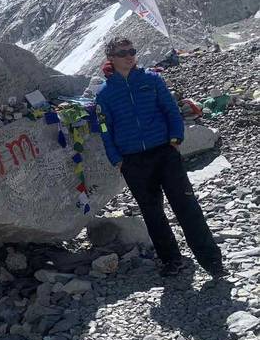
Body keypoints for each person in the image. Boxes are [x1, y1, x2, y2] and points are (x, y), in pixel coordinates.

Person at [95, 37, 227, 278]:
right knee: (152, 213)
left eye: (132, 51)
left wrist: (176, 140)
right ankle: (171, 261)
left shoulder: (151, 80)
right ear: (111, 59)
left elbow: (171, 111)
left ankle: (212, 261)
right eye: (123, 52)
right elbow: (105, 129)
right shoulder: (104, 94)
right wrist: (117, 159)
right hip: (132, 160)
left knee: (186, 206)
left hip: (164, 153)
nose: (129, 56)